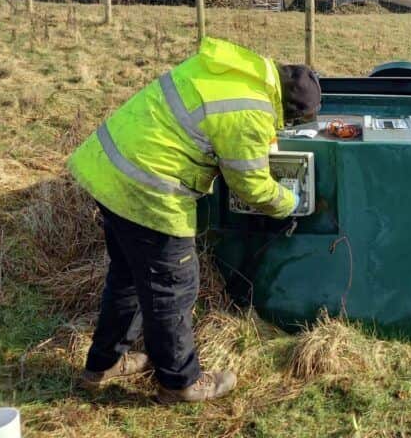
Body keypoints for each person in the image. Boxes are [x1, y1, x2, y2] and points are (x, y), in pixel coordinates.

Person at [67, 36, 321, 403]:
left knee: (128, 276)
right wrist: (289, 202)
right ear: (288, 109)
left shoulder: (235, 69)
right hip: (148, 190)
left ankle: (104, 364)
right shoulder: (249, 111)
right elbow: (250, 186)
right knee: (174, 287)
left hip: (109, 168)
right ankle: (180, 382)